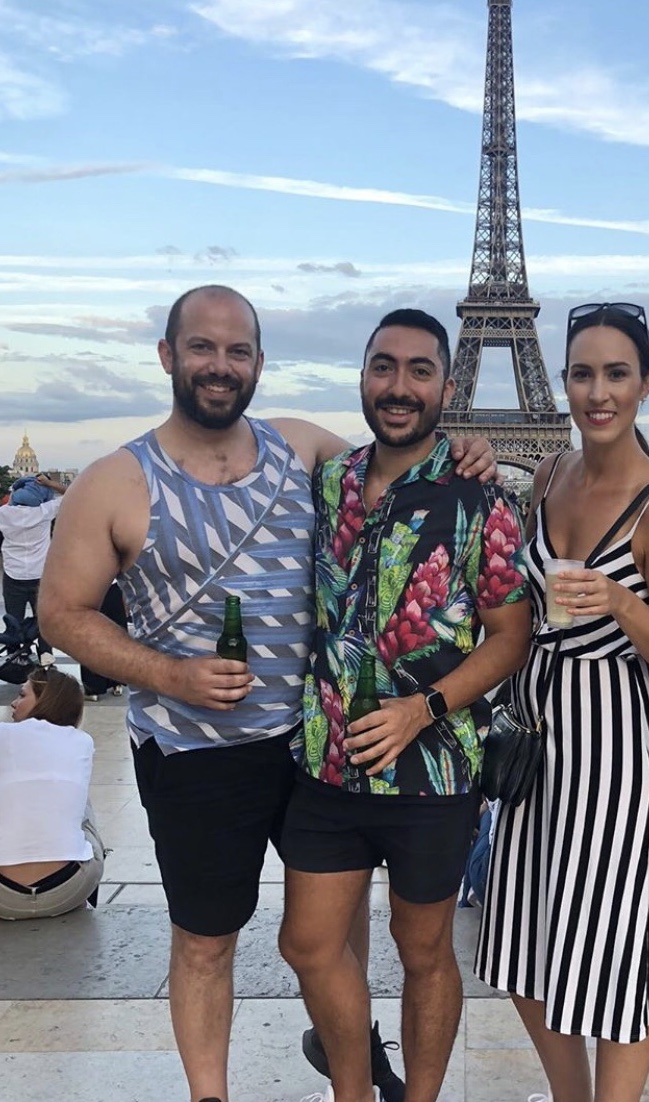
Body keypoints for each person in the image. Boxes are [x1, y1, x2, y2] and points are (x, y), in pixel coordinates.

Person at [37, 285, 496, 1102]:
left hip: (317, 746)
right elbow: (61, 613)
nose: (220, 366)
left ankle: (349, 1057)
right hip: (199, 754)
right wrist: (171, 674)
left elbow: (399, 465)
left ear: (258, 362)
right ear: (168, 355)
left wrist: (470, 450)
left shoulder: (300, 447)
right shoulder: (114, 481)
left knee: (332, 929)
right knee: (206, 940)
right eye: (202, 348)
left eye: (237, 351)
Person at [277, 308, 532, 1102]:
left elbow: (511, 635)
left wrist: (425, 708)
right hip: (328, 763)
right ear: (362, 377)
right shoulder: (327, 484)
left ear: (447, 388)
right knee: (308, 944)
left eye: (419, 370)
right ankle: (355, 1090)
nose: (399, 386)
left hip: (434, 772)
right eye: (383, 366)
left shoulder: (481, 500)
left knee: (423, 952)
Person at [476, 302, 649, 1102]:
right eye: (582, 374)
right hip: (535, 732)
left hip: (611, 749)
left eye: (616, 374)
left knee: (610, 958)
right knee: (524, 943)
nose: (596, 393)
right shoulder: (548, 474)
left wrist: (621, 603)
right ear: (563, 382)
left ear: (645, 382)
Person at [0, 663, 105, 920]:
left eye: (22, 695)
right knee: (80, 807)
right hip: (69, 889)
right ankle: (85, 902)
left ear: (46, 700)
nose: (13, 703)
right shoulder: (82, 741)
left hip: (4, 897)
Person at [0, 472, 67, 660]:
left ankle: (16, 655)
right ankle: (45, 654)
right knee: (43, 619)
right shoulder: (44, 511)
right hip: (40, 575)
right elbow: (74, 493)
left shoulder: (4, 514)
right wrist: (49, 484)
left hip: (13, 575)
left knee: (14, 620)